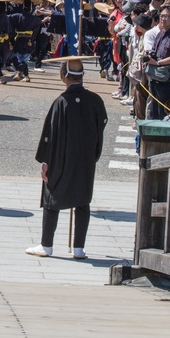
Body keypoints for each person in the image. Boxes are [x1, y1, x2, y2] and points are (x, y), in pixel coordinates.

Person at [25, 58, 108, 260]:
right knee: (82, 199)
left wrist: (45, 160)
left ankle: (47, 245)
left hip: (61, 158)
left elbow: (50, 135)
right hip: (85, 157)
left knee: (51, 197)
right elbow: (102, 122)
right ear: (82, 77)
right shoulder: (96, 100)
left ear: (63, 76)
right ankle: (79, 248)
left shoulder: (61, 102)